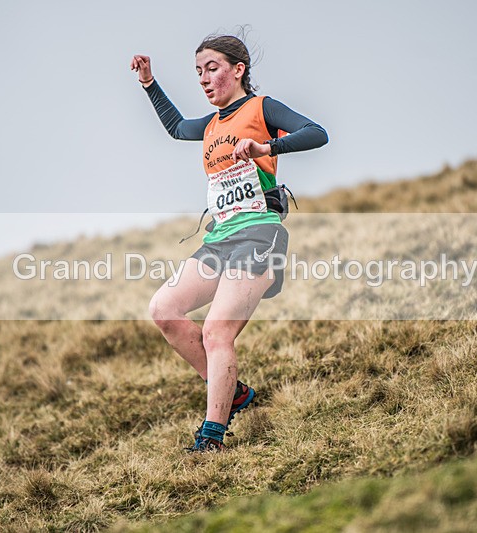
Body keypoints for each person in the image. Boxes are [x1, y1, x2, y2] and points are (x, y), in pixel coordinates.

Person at [131, 32, 328, 452]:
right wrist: (150, 84)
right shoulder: (210, 125)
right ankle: (233, 392)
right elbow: (176, 127)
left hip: (259, 234)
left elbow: (317, 133)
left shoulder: (262, 107)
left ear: (238, 70)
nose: (203, 79)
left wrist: (266, 145)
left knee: (217, 331)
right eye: (198, 72)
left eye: (212, 68)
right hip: (219, 239)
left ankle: (212, 437)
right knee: (163, 309)